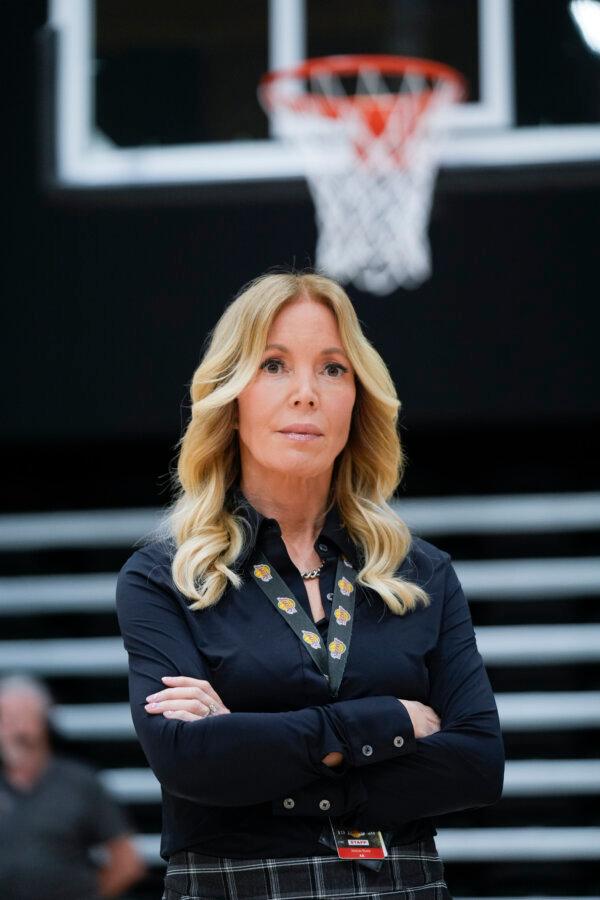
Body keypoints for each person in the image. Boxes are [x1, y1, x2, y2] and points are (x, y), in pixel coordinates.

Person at [116, 271, 505, 900]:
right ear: (231, 393)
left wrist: (253, 744)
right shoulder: (167, 577)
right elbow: (190, 761)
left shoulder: (422, 573)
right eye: (274, 365)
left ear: (358, 397)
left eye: (332, 369)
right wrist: (390, 723)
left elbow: (479, 766)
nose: (306, 393)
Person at [0, 673, 147, 899]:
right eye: (3, 718)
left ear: (43, 720)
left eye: (20, 716)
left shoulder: (78, 782)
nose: (10, 728)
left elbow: (127, 862)